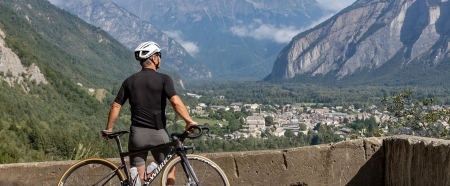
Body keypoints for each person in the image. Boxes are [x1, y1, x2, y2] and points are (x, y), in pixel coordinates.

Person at [102, 41, 197, 185]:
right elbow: (175, 102)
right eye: (159, 55)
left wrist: (109, 129)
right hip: (158, 133)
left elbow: (115, 106)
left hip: (137, 136)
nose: (160, 58)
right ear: (153, 58)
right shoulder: (164, 79)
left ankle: (147, 171)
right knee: (170, 169)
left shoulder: (129, 81)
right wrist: (189, 121)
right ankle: (155, 169)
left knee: (139, 179)